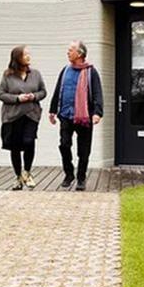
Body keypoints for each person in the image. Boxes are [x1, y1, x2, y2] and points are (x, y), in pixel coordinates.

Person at [48, 40, 103, 190]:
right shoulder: (65, 70)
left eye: (70, 50)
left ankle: (81, 178)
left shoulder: (91, 72)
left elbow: (98, 93)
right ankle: (69, 174)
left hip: (84, 117)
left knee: (83, 150)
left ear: (79, 54)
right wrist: (53, 110)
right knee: (64, 145)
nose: (68, 52)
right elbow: (58, 90)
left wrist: (97, 112)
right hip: (65, 115)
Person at [0, 45, 47, 190]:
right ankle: (18, 177)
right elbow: (1, 95)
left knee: (29, 141)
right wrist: (18, 98)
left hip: (31, 114)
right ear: (18, 58)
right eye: (25, 54)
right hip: (12, 116)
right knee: (15, 147)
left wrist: (34, 96)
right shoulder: (7, 76)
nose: (29, 56)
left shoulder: (36, 74)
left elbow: (43, 92)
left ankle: (27, 172)